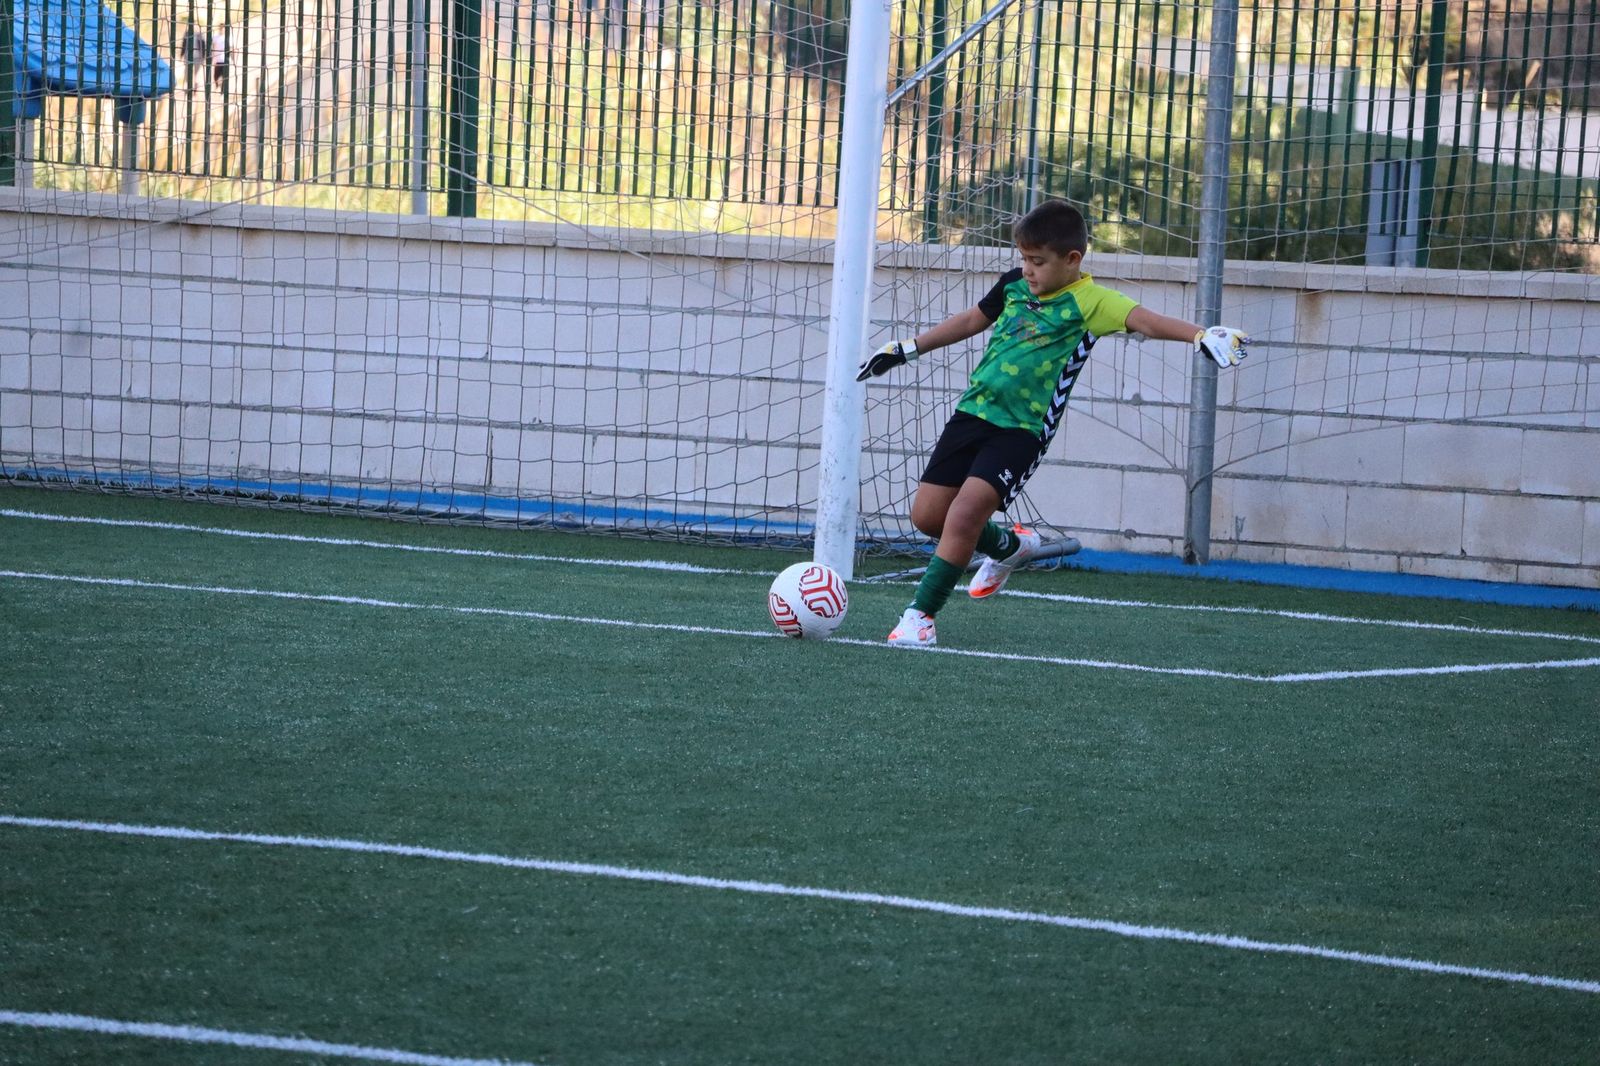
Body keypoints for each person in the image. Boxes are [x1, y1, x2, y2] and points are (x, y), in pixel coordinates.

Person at [856, 199, 1249, 648]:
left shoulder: (1091, 302)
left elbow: (1146, 320)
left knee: (964, 515)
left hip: (1022, 430)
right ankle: (1009, 547)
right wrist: (908, 348)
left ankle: (919, 617)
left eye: (1037, 261)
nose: (1027, 269)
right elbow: (971, 320)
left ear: (1072, 260)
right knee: (929, 517)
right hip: (972, 413)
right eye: (1023, 259)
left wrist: (1199, 334)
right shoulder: (1013, 286)